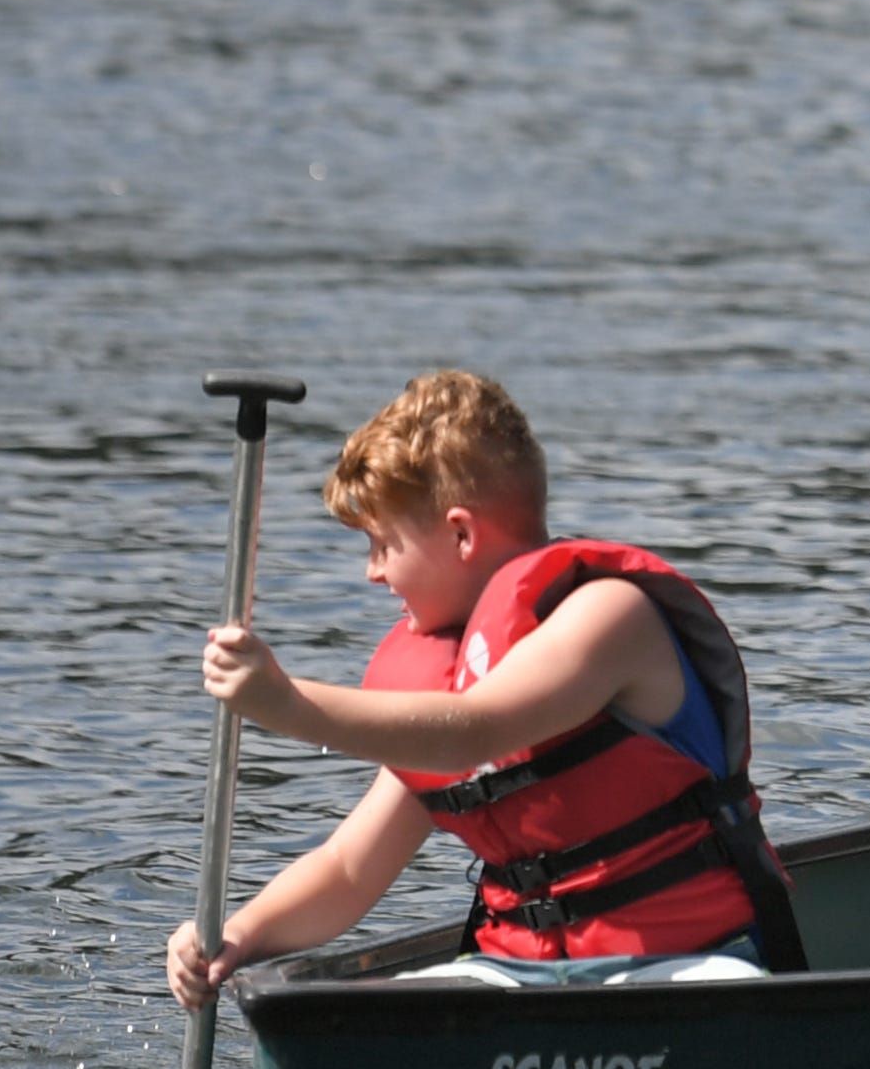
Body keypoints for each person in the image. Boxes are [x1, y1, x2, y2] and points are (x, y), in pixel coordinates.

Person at [163, 370, 800, 1007]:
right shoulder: (447, 682)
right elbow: (349, 871)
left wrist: (285, 703)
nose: (373, 573)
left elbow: (476, 731)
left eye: (383, 544)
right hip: (520, 976)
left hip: (687, 967)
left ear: (462, 534)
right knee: (359, 1017)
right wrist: (236, 935)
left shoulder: (607, 617)